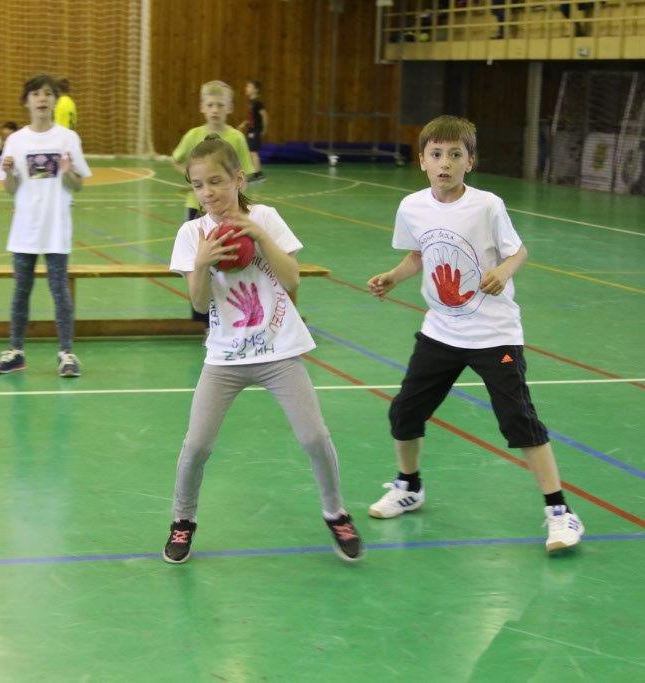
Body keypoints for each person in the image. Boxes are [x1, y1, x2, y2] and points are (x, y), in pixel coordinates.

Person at [365, 115, 584, 553]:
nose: (445, 163)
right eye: (436, 154)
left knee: (519, 421)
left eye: (455, 155)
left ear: (470, 161)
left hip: (494, 335)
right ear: (422, 161)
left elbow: (518, 251)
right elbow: (418, 254)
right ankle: (409, 486)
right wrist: (392, 276)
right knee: (404, 412)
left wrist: (503, 271)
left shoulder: (487, 205)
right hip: (441, 332)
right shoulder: (412, 207)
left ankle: (560, 511)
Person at [162, 135, 364, 565]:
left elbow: (292, 279)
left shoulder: (266, 217)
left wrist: (259, 235)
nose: (207, 192)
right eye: (198, 185)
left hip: (279, 352)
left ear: (238, 179)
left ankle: (336, 513)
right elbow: (198, 304)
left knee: (314, 436)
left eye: (216, 181)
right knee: (196, 445)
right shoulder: (192, 233)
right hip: (225, 358)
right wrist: (202, 262)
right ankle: (183, 520)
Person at [0, 74, 90, 378]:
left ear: (55, 100)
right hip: (25, 229)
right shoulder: (16, 140)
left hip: (56, 228)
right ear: (27, 101)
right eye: (36, 93)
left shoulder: (68, 138)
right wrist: (9, 173)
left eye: (48, 93)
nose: (42, 98)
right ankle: (16, 351)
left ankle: (66, 353)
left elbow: (78, 185)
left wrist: (68, 171)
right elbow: (10, 189)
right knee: (21, 291)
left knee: (59, 291)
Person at [172, 80, 254, 324]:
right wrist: (195, 181)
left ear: (229, 107)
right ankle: (205, 320)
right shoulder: (193, 136)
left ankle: (233, 314)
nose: (215, 110)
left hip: (231, 211)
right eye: (210, 105)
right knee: (201, 261)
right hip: (197, 210)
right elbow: (176, 159)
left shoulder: (236, 138)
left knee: (232, 259)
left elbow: (245, 172)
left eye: (220, 105)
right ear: (202, 107)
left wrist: (238, 203)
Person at [237, 79, 268, 182]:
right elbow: (253, 118)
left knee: (253, 152)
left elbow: (265, 116)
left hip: (256, 131)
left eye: (249, 86)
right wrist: (244, 124)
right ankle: (256, 173)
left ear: (256, 90)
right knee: (251, 152)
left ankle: (258, 174)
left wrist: (264, 129)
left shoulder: (258, 103)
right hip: (251, 131)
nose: (246, 88)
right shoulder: (252, 103)